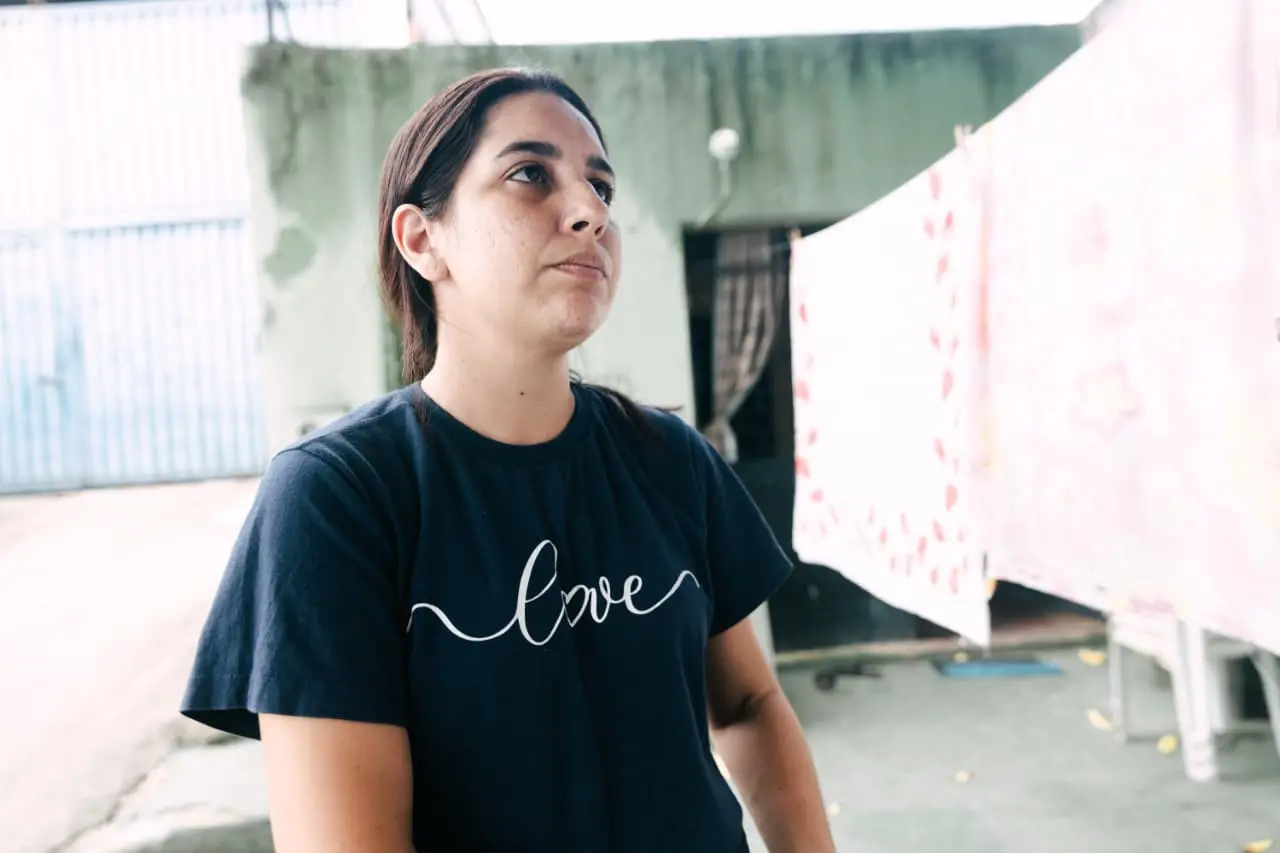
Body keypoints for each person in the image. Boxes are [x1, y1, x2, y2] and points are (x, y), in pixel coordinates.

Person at [180, 66, 835, 853]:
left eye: (601, 186)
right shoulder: (337, 495)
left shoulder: (671, 460)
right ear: (422, 239)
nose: (591, 211)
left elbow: (750, 703)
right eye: (530, 175)